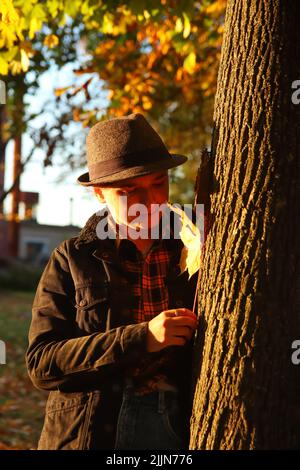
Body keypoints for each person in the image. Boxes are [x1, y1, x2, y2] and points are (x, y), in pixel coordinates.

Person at [25, 113, 199, 450]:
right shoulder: (73, 258)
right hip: (90, 431)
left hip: (174, 426)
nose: (150, 202)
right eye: (129, 190)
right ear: (100, 194)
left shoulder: (196, 245)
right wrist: (142, 338)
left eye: (159, 183)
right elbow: (42, 364)